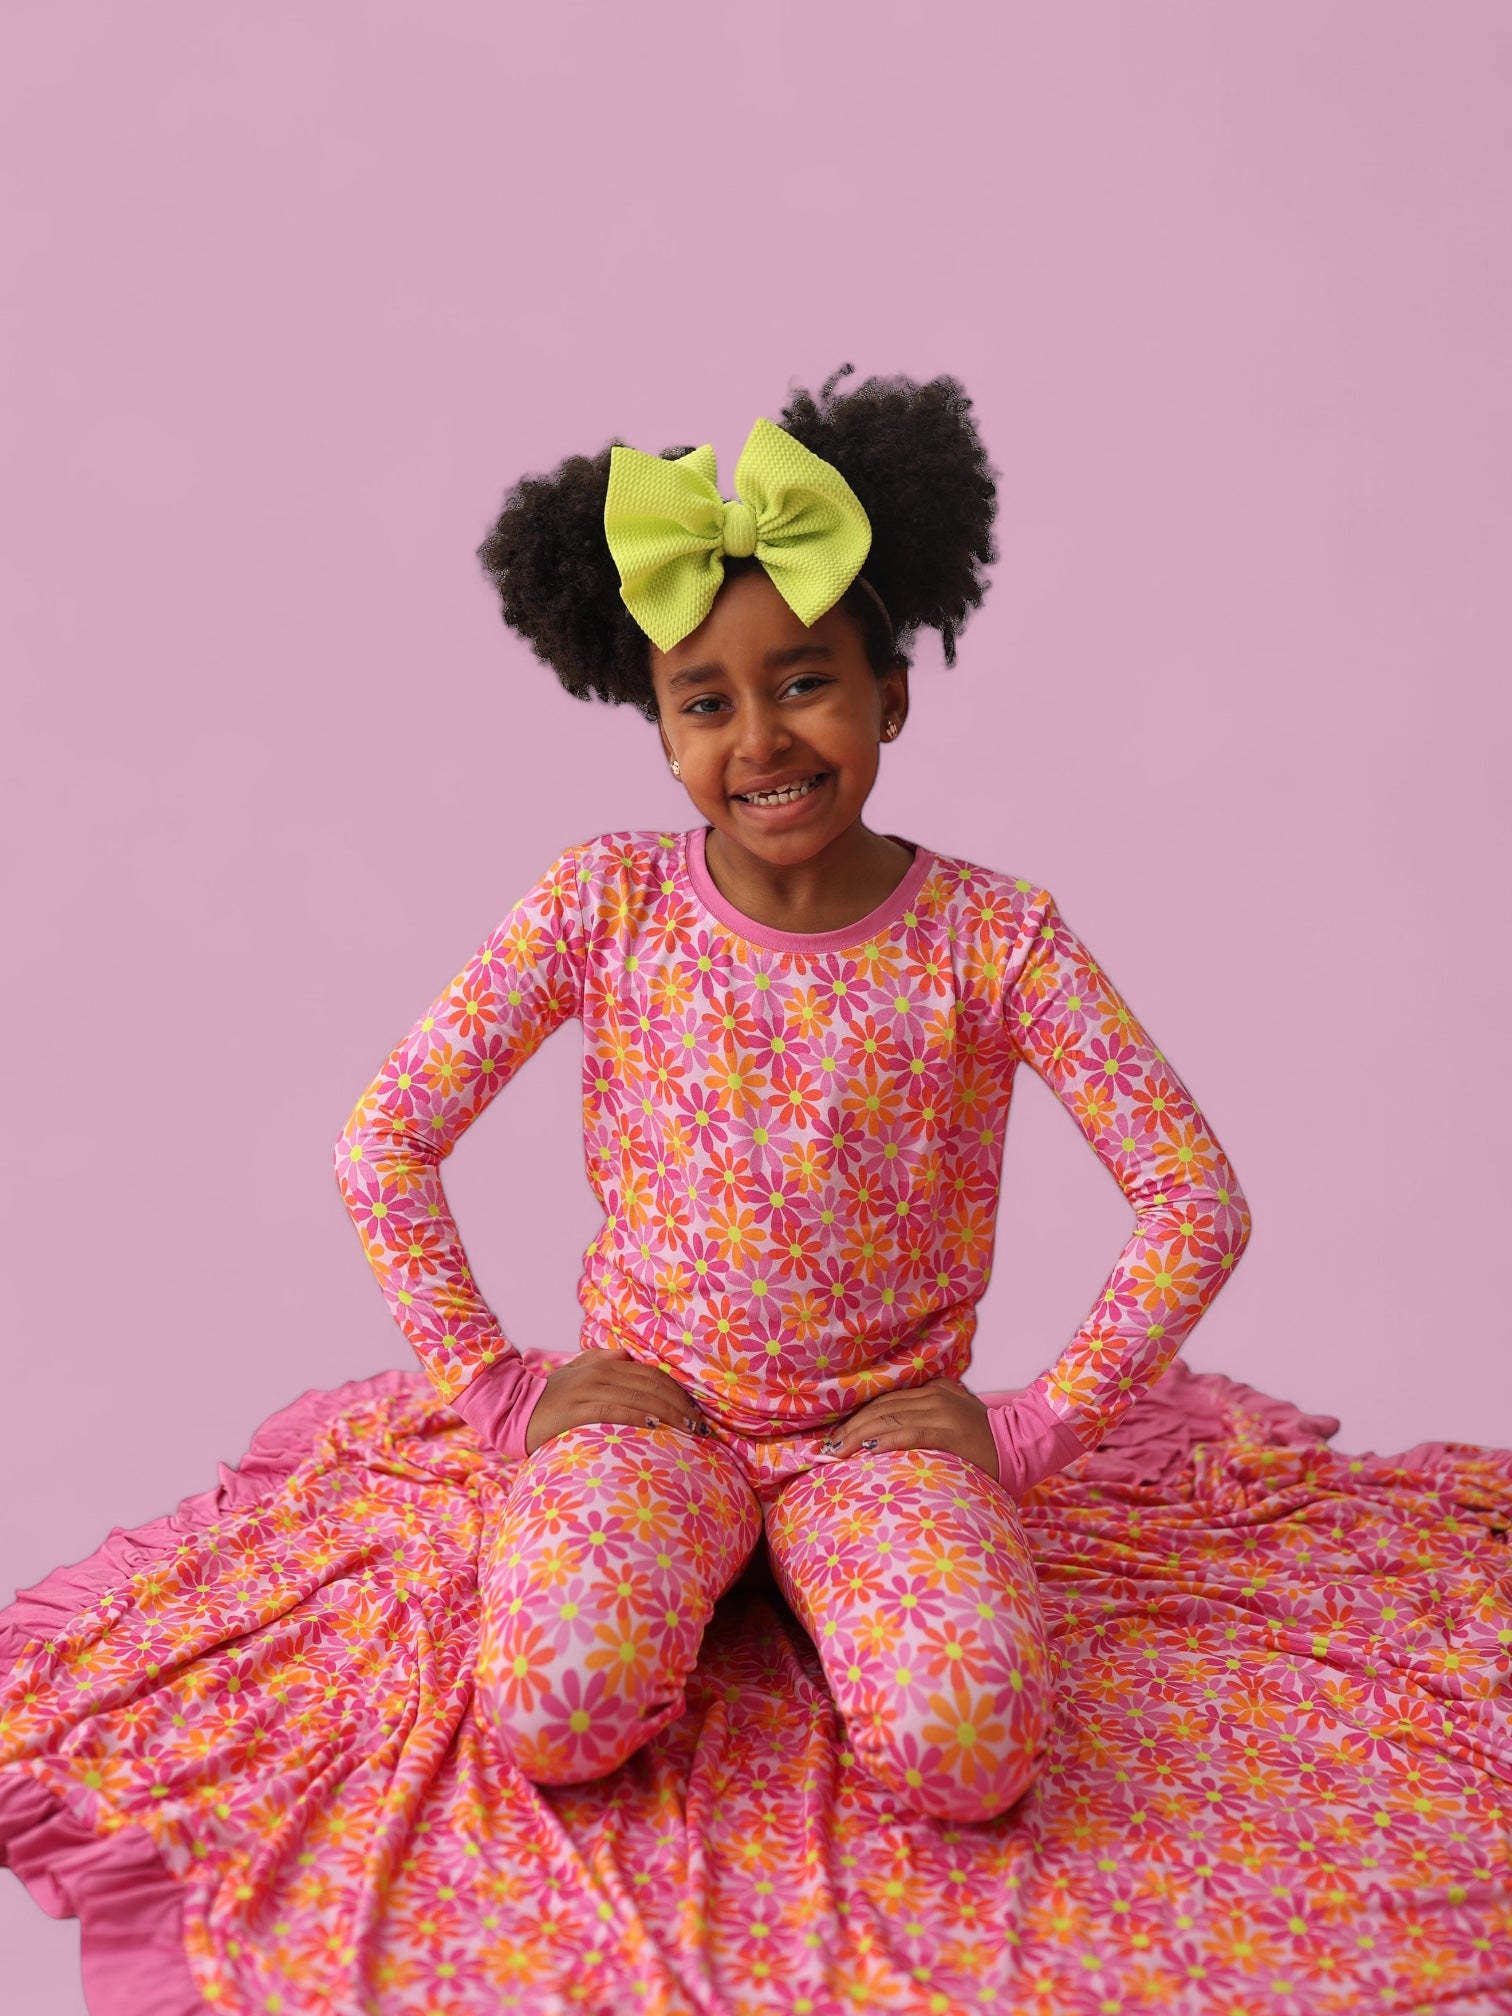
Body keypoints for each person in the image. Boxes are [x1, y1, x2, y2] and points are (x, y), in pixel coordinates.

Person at [334, 365, 1252, 1823]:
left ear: (891, 695)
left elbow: (1194, 1202)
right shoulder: (603, 904)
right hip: (654, 1421)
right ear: (664, 734)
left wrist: (1034, 1428)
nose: (759, 737)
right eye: (708, 702)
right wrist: (499, 1391)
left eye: (806, 682)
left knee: (970, 1755)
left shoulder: (995, 938)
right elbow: (387, 1140)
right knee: (553, 1713)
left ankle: (818, 1570)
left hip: (879, 1443)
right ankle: (691, 1563)